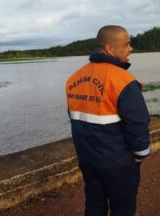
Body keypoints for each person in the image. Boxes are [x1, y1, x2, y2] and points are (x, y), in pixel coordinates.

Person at [65, 25, 151, 216]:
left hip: (88, 159)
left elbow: (77, 117)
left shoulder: (73, 79)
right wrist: (141, 153)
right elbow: (137, 123)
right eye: (127, 44)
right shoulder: (124, 81)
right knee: (123, 208)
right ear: (110, 49)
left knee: (94, 205)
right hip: (118, 163)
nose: (131, 49)